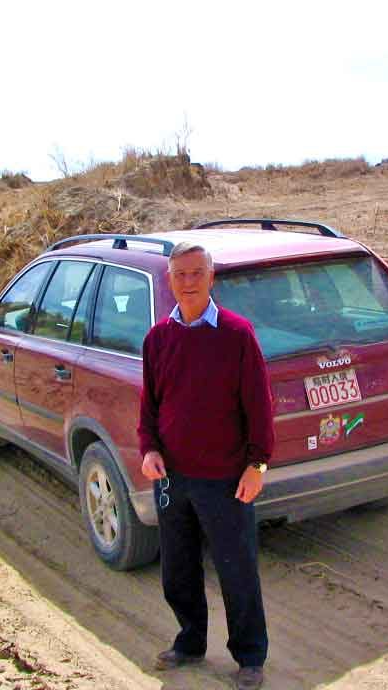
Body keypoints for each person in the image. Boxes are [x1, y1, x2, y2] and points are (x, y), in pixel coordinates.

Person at [138, 241, 274, 690]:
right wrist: (149, 449)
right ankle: (190, 643)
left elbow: (259, 406)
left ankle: (250, 657)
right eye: (181, 274)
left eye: (197, 273)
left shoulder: (237, 335)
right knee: (178, 569)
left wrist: (258, 464)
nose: (189, 282)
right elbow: (150, 406)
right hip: (172, 477)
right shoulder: (158, 338)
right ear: (169, 280)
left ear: (212, 277)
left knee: (237, 570)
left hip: (225, 479)